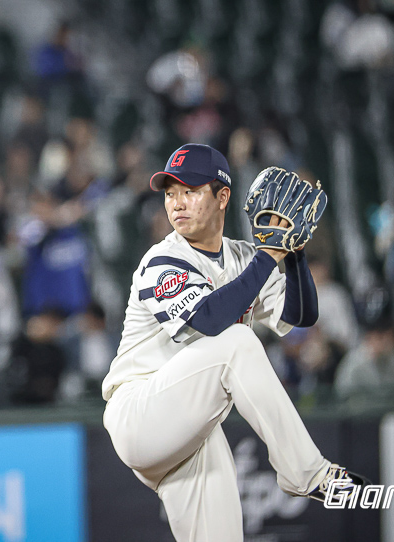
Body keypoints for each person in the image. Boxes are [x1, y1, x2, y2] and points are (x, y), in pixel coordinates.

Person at [101, 144, 366, 542]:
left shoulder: (243, 257)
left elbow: (299, 317)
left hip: (190, 436)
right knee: (237, 341)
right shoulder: (163, 261)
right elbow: (209, 320)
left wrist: (293, 255)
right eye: (170, 193)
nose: (176, 203)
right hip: (140, 414)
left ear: (222, 196)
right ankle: (308, 473)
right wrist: (269, 255)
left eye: (189, 190)